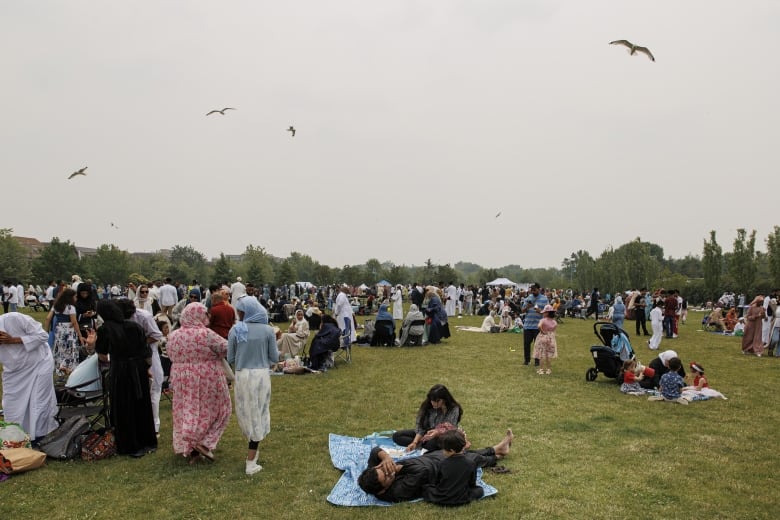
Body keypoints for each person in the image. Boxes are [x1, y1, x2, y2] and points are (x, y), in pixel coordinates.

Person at [358, 429, 514, 502]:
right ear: (384, 489)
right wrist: (398, 468)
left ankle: (497, 450)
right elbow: (423, 471)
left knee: (463, 452)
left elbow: (374, 451)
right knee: (470, 458)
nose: (387, 471)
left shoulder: (372, 473)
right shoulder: (398, 491)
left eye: (381, 469)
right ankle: (496, 454)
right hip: (436, 468)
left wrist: (384, 457)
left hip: (429, 458)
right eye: (386, 477)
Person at [86, 300, 157, 457]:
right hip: (138, 367)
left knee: (124, 405)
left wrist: (91, 346)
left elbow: (103, 355)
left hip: (121, 369)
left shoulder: (105, 330)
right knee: (142, 403)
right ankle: (147, 440)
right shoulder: (134, 326)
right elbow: (146, 352)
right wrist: (146, 368)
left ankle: (129, 443)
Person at [167, 303, 231, 463]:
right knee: (220, 408)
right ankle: (204, 442)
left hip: (181, 377)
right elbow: (226, 349)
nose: (207, 317)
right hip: (207, 376)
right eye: (205, 314)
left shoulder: (174, 335)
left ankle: (191, 447)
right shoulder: (206, 334)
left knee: (188, 410)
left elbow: (169, 353)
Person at [227, 296, 279, 475]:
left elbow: (231, 357)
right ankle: (251, 459)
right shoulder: (268, 330)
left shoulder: (236, 330)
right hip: (261, 375)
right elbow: (274, 357)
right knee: (260, 411)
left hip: (242, 375)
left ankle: (252, 450)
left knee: (246, 411)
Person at [0, 312, 59, 441]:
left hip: (40, 363)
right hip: (14, 370)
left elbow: (43, 336)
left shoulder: (14, 318)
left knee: (38, 401)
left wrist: (13, 340)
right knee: (11, 404)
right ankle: (15, 437)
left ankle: (39, 437)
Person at [392, 384, 463, 452]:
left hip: (443, 436)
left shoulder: (454, 409)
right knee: (397, 436)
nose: (433, 403)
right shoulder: (427, 406)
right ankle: (421, 444)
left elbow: (450, 429)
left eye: (437, 401)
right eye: (432, 401)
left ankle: (424, 444)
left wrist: (437, 433)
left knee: (431, 444)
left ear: (444, 399)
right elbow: (420, 426)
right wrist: (414, 442)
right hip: (427, 432)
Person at [422, 429, 484, 506]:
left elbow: (437, 482)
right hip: (462, 498)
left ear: (451, 451)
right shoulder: (471, 463)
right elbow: (472, 483)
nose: (443, 452)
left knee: (426, 488)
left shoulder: (442, 463)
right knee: (480, 490)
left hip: (441, 498)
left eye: (444, 449)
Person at [45, 287, 86, 379]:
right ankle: (70, 370)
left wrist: (46, 331)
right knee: (70, 350)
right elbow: (74, 322)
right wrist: (80, 335)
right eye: (75, 297)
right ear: (70, 297)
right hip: (69, 331)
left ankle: (60, 371)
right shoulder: (70, 307)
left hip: (59, 330)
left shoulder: (56, 306)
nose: (76, 298)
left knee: (60, 350)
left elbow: (48, 318)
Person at [521, 283, 548, 366]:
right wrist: (527, 307)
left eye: (534, 290)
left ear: (539, 289)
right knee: (526, 344)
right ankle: (527, 360)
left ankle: (537, 361)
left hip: (538, 326)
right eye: (532, 290)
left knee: (538, 344)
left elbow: (548, 312)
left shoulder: (545, 299)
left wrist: (540, 311)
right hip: (527, 325)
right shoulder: (528, 298)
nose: (533, 292)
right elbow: (522, 311)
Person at [534, 305, 558, 375]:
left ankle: (541, 369)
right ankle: (548, 369)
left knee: (542, 354)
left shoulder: (543, 320)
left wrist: (542, 331)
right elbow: (554, 329)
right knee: (549, 354)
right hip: (551, 338)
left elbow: (539, 326)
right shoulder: (554, 322)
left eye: (544, 312)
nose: (543, 313)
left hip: (543, 337)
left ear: (547, 313)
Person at [333, 284, 356, 349]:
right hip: (343, 315)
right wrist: (336, 313)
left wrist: (352, 312)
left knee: (345, 329)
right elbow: (339, 305)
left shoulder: (342, 295)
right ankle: (344, 342)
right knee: (343, 328)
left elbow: (347, 305)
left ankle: (346, 341)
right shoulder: (342, 295)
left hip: (345, 314)